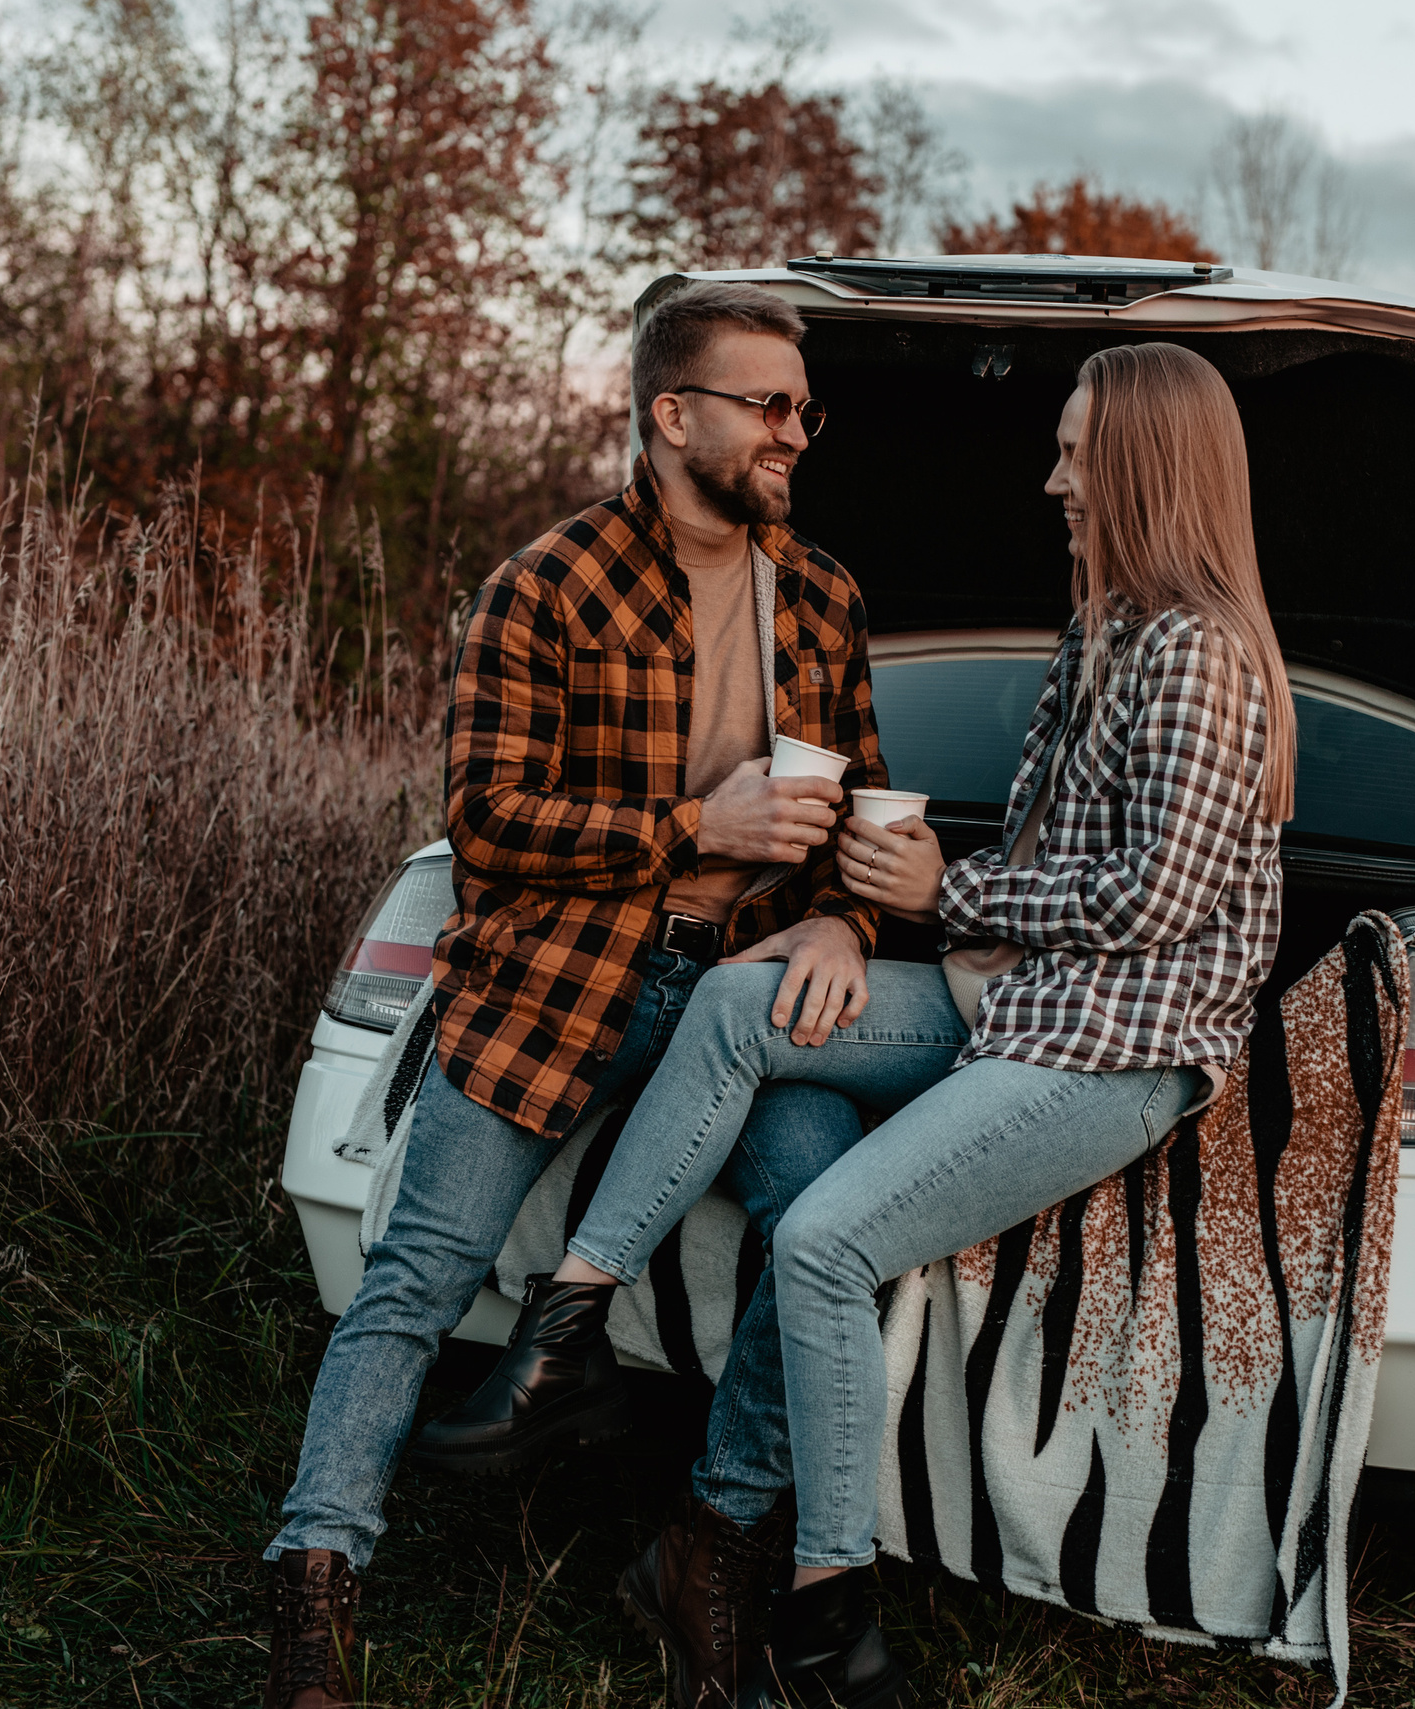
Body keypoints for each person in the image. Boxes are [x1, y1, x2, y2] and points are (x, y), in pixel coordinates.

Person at [450, 340, 1296, 1707]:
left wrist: (944, 885)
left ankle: (823, 1610)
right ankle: (569, 1325)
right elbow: (1055, 859)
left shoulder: (1199, 654)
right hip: (1016, 1005)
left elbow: (1156, 896)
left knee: (827, 1235)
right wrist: (848, 914)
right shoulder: (1103, 633)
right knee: (741, 997)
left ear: (1142, 463)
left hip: (1114, 1050)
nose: (1052, 476)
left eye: (1076, 450)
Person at [262, 281, 888, 1709]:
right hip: (562, 982)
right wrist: (692, 831)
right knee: (411, 1278)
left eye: (807, 407)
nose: (799, 430)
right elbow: (484, 819)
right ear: (675, 415)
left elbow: (852, 805)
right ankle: (313, 1581)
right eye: (769, 403)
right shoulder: (545, 586)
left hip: (750, 1006)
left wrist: (851, 912)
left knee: (824, 1232)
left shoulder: (830, 596)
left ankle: (711, 1543)